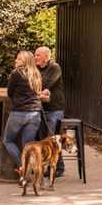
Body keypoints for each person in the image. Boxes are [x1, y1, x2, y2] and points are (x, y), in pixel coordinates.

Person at [2, 51, 43, 170]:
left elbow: (10, 93)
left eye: (19, 59)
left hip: (19, 113)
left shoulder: (16, 73)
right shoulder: (36, 73)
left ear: (24, 61)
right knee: (27, 145)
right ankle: (30, 169)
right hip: (35, 113)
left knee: (7, 141)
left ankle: (22, 166)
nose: (16, 61)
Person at [35, 46, 66, 176]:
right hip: (41, 108)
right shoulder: (36, 68)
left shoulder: (55, 67)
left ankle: (57, 168)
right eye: (35, 55)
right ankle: (48, 166)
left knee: (52, 140)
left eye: (38, 55)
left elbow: (46, 83)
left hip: (54, 109)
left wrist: (34, 85)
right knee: (43, 139)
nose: (35, 57)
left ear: (46, 57)